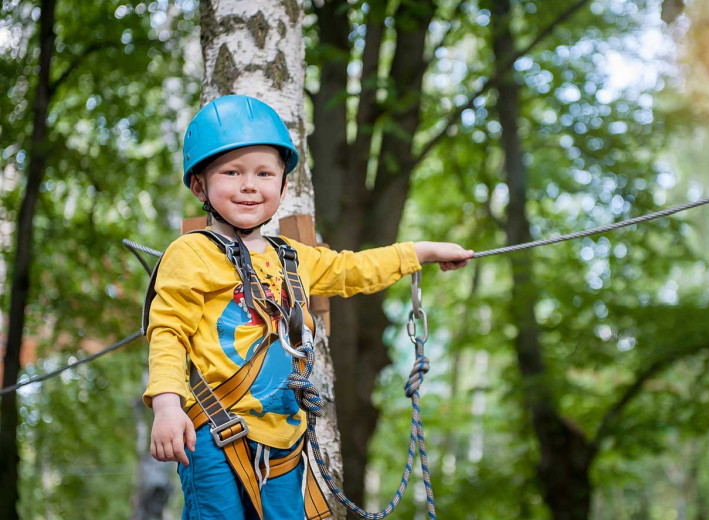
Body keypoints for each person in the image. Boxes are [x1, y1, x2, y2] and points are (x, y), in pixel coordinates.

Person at [143, 94, 472, 520]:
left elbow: (355, 270)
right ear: (200, 185)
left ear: (282, 186)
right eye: (232, 172)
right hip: (214, 432)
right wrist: (168, 405)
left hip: (284, 437)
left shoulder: (293, 258)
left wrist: (422, 251)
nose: (249, 185)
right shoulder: (191, 254)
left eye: (264, 173)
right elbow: (168, 330)